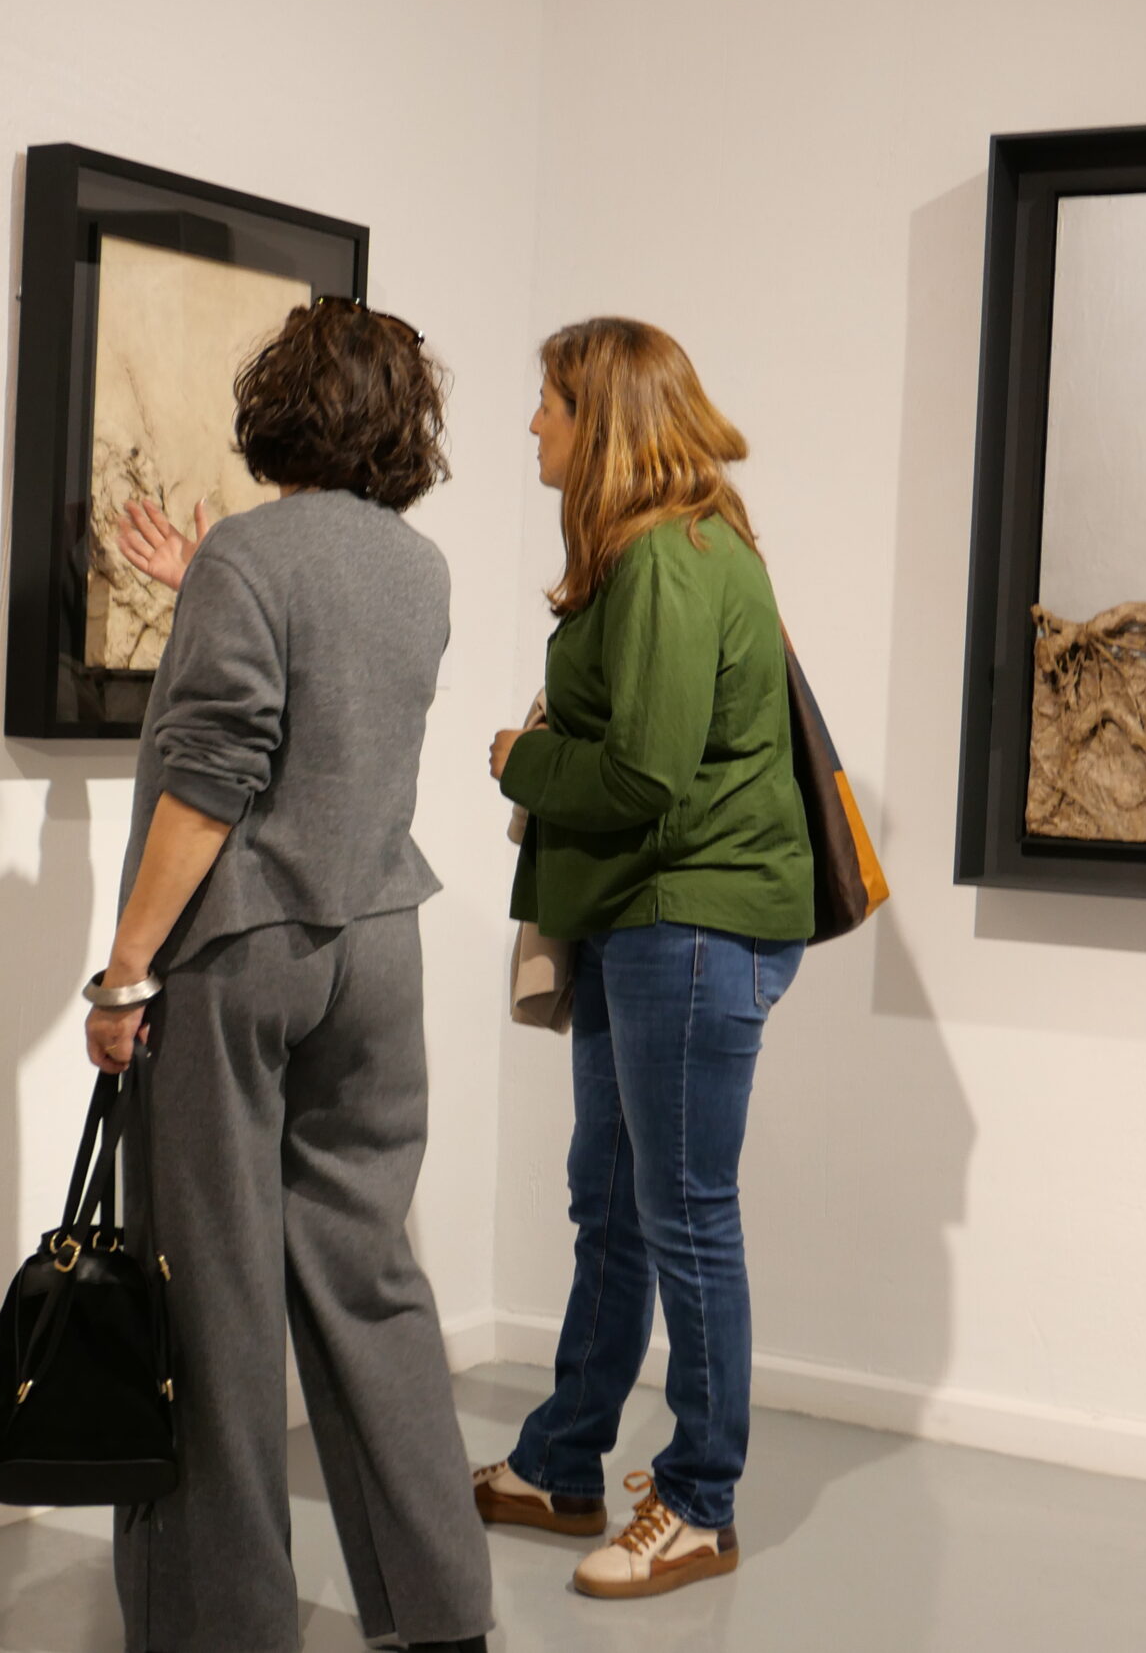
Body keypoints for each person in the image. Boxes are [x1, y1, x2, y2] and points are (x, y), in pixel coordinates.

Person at [83, 296, 491, 1653]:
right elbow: (331, 704)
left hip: (240, 950)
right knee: (368, 1276)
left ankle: (223, 1627)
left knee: (214, 1293)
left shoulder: (251, 559)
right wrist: (218, 578)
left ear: (279, 408)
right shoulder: (414, 567)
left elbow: (210, 783)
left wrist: (126, 970)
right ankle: (443, 1612)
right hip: (377, 944)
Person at [474, 317, 813, 1601]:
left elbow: (646, 774)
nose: (534, 426)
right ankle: (566, 1462)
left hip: (691, 919)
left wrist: (520, 759)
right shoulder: (656, 548)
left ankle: (700, 1502)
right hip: (646, 916)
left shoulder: (670, 558)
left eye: (549, 403)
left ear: (600, 417)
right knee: (611, 1202)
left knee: (682, 1214)